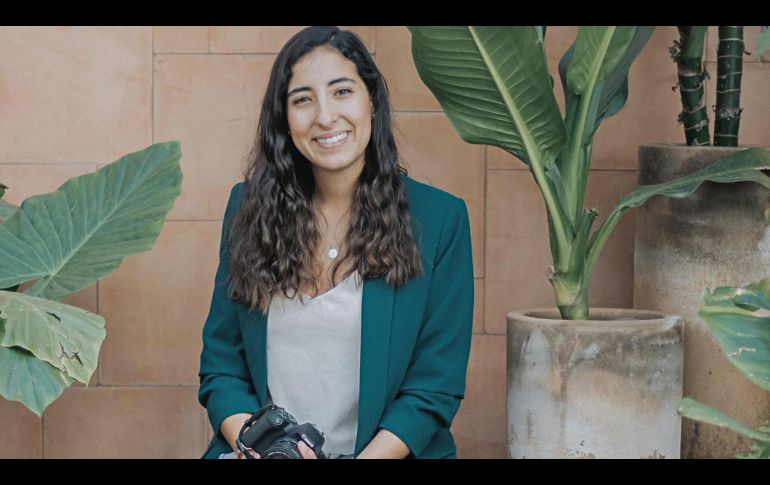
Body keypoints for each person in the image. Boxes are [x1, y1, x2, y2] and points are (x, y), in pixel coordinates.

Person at [198, 26, 474, 459]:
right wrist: (261, 449)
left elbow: (433, 388)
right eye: (302, 99)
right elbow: (222, 367)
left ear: (372, 102)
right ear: (284, 122)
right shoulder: (247, 209)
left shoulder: (439, 220)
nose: (325, 117)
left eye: (342, 91)